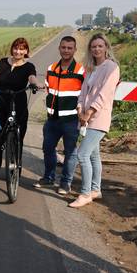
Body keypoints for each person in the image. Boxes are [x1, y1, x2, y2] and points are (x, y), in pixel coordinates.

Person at [69, 33, 120, 208]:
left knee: (82, 154)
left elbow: (103, 95)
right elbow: (83, 93)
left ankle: (84, 194)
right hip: (86, 117)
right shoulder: (90, 68)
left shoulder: (111, 68)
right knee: (93, 155)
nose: (97, 49)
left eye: (100, 46)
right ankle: (95, 189)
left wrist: (88, 113)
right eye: (93, 46)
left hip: (98, 118)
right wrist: (80, 110)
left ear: (106, 47)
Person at [34, 36, 85, 194]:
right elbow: (49, 89)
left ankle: (65, 183)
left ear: (74, 50)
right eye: (63, 47)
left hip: (71, 120)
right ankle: (48, 178)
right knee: (48, 148)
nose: (66, 50)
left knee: (70, 152)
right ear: (59, 48)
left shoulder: (80, 70)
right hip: (52, 119)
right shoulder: (51, 68)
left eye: (70, 48)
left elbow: (85, 93)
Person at [0, 37, 40, 178]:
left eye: (22, 49)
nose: (18, 51)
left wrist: (35, 84)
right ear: (12, 49)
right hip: (0, 102)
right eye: (16, 48)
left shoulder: (29, 66)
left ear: (26, 51)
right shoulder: (3, 62)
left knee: (18, 140)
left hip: (19, 103)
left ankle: (15, 172)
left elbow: (32, 77)